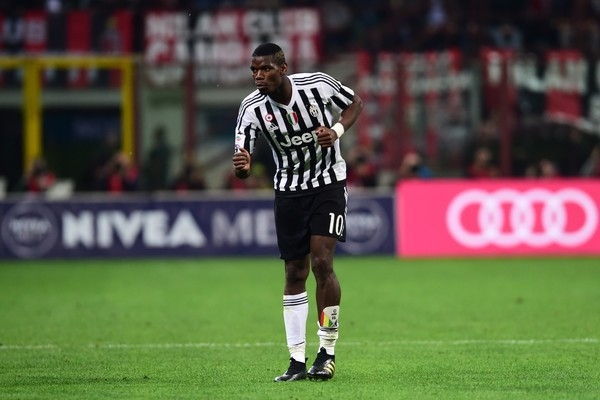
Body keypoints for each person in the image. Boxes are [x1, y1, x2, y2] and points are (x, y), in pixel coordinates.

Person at [232, 43, 363, 382]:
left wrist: (335, 131)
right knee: (294, 271)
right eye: (254, 70)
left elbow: (354, 103)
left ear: (283, 68)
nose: (258, 76)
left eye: (265, 69)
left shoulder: (317, 85)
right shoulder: (251, 108)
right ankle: (296, 361)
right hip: (289, 191)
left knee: (322, 262)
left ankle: (327, 351)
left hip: (327, 184)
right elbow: (243, 160)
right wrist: (243, 168)